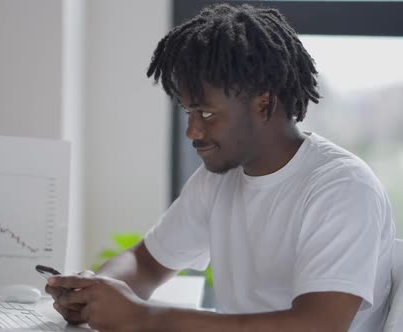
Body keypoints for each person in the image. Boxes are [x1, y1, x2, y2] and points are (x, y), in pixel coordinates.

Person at [46, 3, 396, 331]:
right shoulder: (220, 179)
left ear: (264, 104)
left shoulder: (342, 187)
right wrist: (92, 294)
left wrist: (144, 317)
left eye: (207, 114)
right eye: (188, 113)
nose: (192, 132)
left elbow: (318, 325)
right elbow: (147, 262)